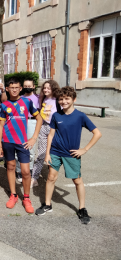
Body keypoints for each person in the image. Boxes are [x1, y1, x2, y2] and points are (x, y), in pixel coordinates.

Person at [35, 86, 102, 224]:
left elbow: (97, 133)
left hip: (71, 154)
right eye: (61, 99)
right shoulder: (56, 115)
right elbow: (51, 135)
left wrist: (85, 149)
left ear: (73, 99)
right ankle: (47, 204)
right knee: (51, 177)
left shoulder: (80, 116)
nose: (63, 101)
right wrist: (47, 153)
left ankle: (82, 208)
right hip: (55, 152)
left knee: (77, 180)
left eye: (67, 98)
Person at [0, 77, 43, 214]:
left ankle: (27, 198)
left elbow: (39, 118)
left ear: (20, 88)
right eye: (12, 87)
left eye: (17, 87)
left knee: (26, 171)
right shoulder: (4, 105)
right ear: (7, 89)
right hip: (7, 141)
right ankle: (14, 195)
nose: (14, 89)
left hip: (23, 142)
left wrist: (34, 138)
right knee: (10, 167)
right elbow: (0, 125)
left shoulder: (27, 102)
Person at [31, 80, 60, 187]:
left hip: (55, 129)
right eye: (44, 88)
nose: (46, 90)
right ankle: (34, 177)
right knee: (41, 153)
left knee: (53, 153)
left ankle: (51, 175)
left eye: (48, 88)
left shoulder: (58, 100)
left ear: (53, 88)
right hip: (44, 127)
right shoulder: (42, 98)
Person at [15, 79, 39, 183]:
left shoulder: (38, 98)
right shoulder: (20, 98)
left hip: (32, 121)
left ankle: (30, 171)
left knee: (31, 149)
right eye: (25, 85)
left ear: (33, 86)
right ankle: (19, 171)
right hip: (21, 122)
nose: (27, 87)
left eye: (29, 85)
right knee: (19, 146)